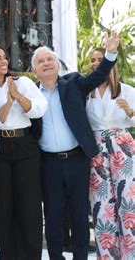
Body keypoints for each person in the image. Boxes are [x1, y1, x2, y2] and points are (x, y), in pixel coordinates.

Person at [31, 31, 119, 260]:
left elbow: (97, 76)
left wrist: (110, 53)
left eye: (50, 59)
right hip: (48, 163)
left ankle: (80, 256)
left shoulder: (73, 83)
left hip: (77, 160)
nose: (46, 63)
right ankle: (56, 257)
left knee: (80, 214)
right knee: (52, 215)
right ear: (35, 71)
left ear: (57, 65)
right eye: (41, 61)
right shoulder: (30, 94)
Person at [0, 45, 47, 259]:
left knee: (30, 206)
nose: (3, 61)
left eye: (5, 57)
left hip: (25, 145)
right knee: (3, 208)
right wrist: (9, 102)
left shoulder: (22, 82)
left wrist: (18, 96)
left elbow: (39, 109)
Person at [86, 47, 135, 259]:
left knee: (129, 204)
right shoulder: (86, 91)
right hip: (96, 151)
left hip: (123, 148)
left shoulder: (127, 90)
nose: (96, 63)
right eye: (93, 60)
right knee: (102, 205)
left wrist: (130, 112)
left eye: (100, 59)